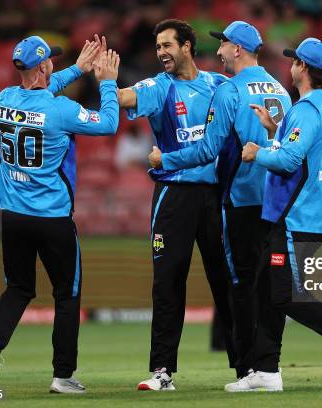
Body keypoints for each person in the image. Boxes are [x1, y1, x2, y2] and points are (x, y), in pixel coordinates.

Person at [229, 38, 322, 392]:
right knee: (269, 289)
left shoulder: (306, 110)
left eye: (294, 61)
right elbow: (301, 154)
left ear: (302, 67)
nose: (290, 65)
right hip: (307, 213)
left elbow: (287, 161)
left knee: (284, 295)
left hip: (294, 216)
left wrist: (256, 151)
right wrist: (272, 132)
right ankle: (266, 370)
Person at [148, 20, 293, 379]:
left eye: (224, 45)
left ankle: (250, 370)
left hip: (238, 199)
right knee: (264, 287)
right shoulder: (282, 91)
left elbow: (210, 148)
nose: (219, 51)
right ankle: (264, 366)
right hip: (274, 201)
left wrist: (165, 160)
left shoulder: (229, 90)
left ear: (238, 49)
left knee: (239, 286)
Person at [0, 35, 120, 394]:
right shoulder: (62, 110)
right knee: (67, 294)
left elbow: (39, 89)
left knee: (18, 289)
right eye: (50, 60)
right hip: (52, 218)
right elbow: (108, 124)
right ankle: (62, 375)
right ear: (42, 66)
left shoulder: (4, 99)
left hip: (12, 216)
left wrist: (78, 68)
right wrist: (108, 83)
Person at [116, 19, 237, 391]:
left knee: (228, 284)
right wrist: (105, 81)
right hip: (174, 196)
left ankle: (249, 368)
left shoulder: (219, 85)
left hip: (215, 197)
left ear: (187, 46)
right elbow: (122, 99)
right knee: (168, 283)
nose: (162, 53)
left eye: (168, 45)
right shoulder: (158, 87)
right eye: (157, 48)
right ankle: (162, 372)